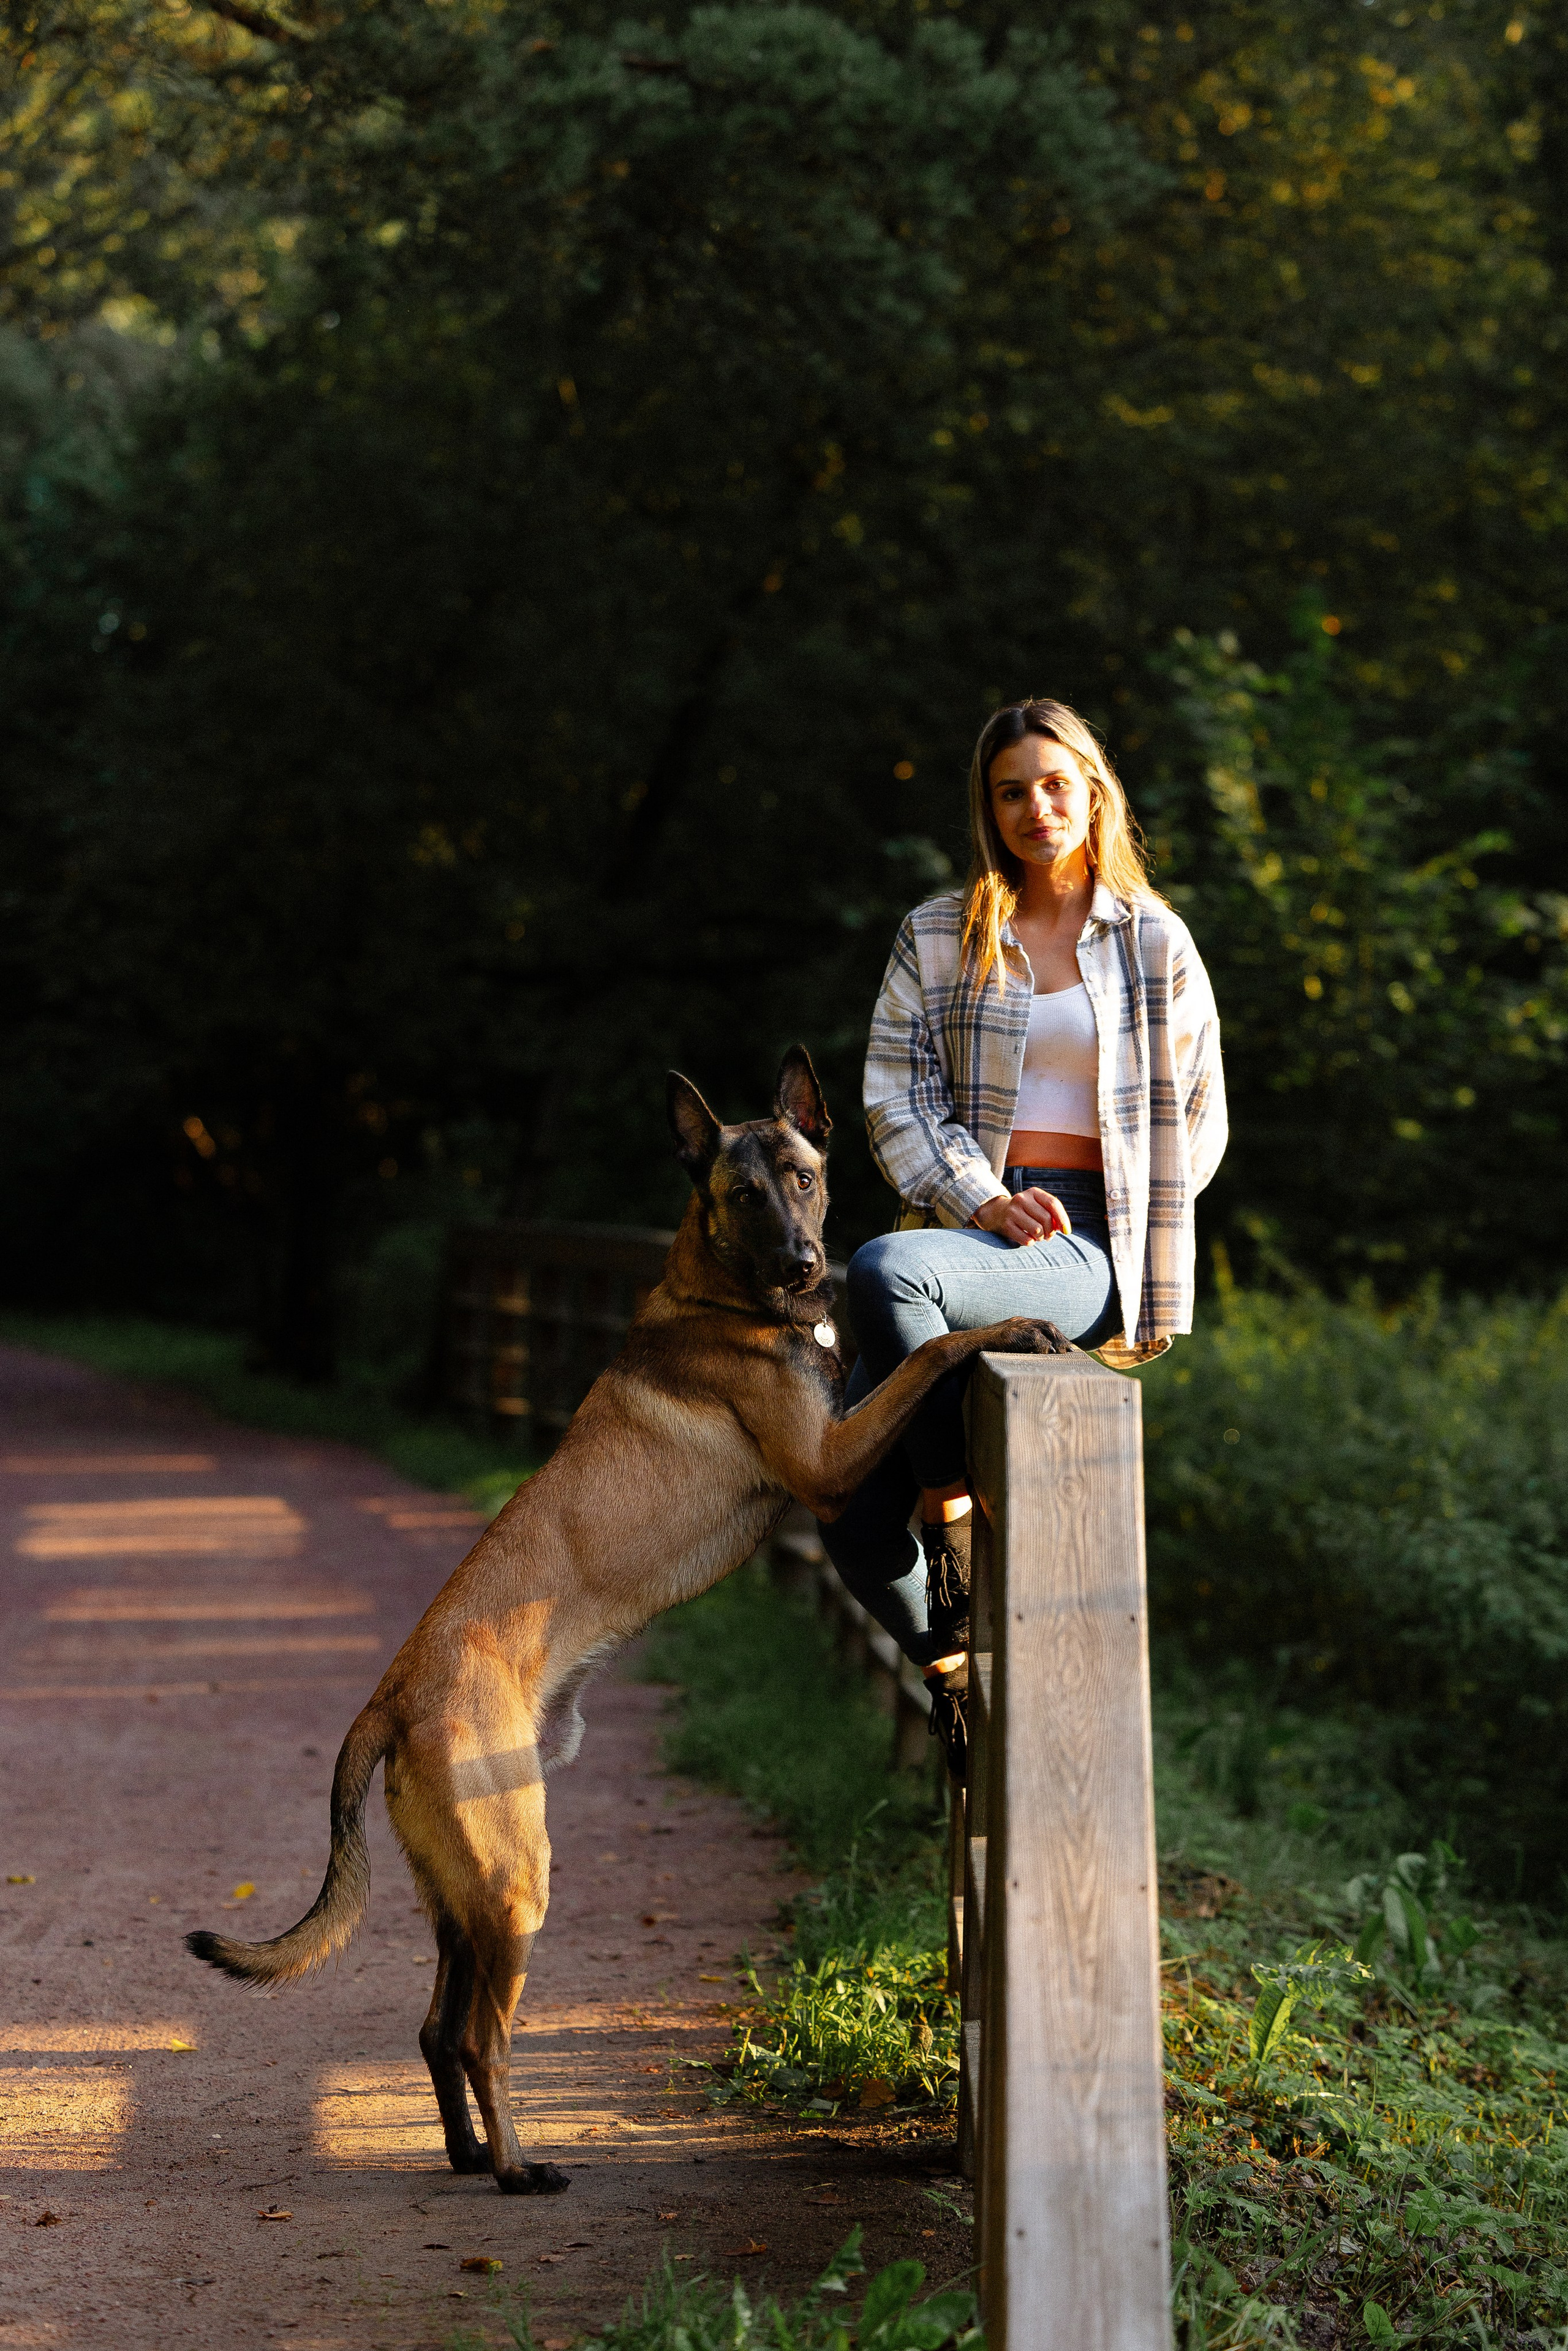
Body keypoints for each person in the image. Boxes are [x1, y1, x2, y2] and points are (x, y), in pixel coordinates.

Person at [818, 696, 1227, 1776]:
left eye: (1055, 783)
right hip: (976, 1221)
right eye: (1012, 791)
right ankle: (956, 1682)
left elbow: (1198, 1116)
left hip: (1088, 1239)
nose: (1036, 808)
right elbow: (893, 1097)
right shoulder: (939, 933)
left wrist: (1136, 1228)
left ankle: (950, 1494)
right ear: (988, 808)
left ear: (1094, 789)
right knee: (850, 1515)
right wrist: (978, 1196)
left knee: (885, 1268)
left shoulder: (1154, 943)